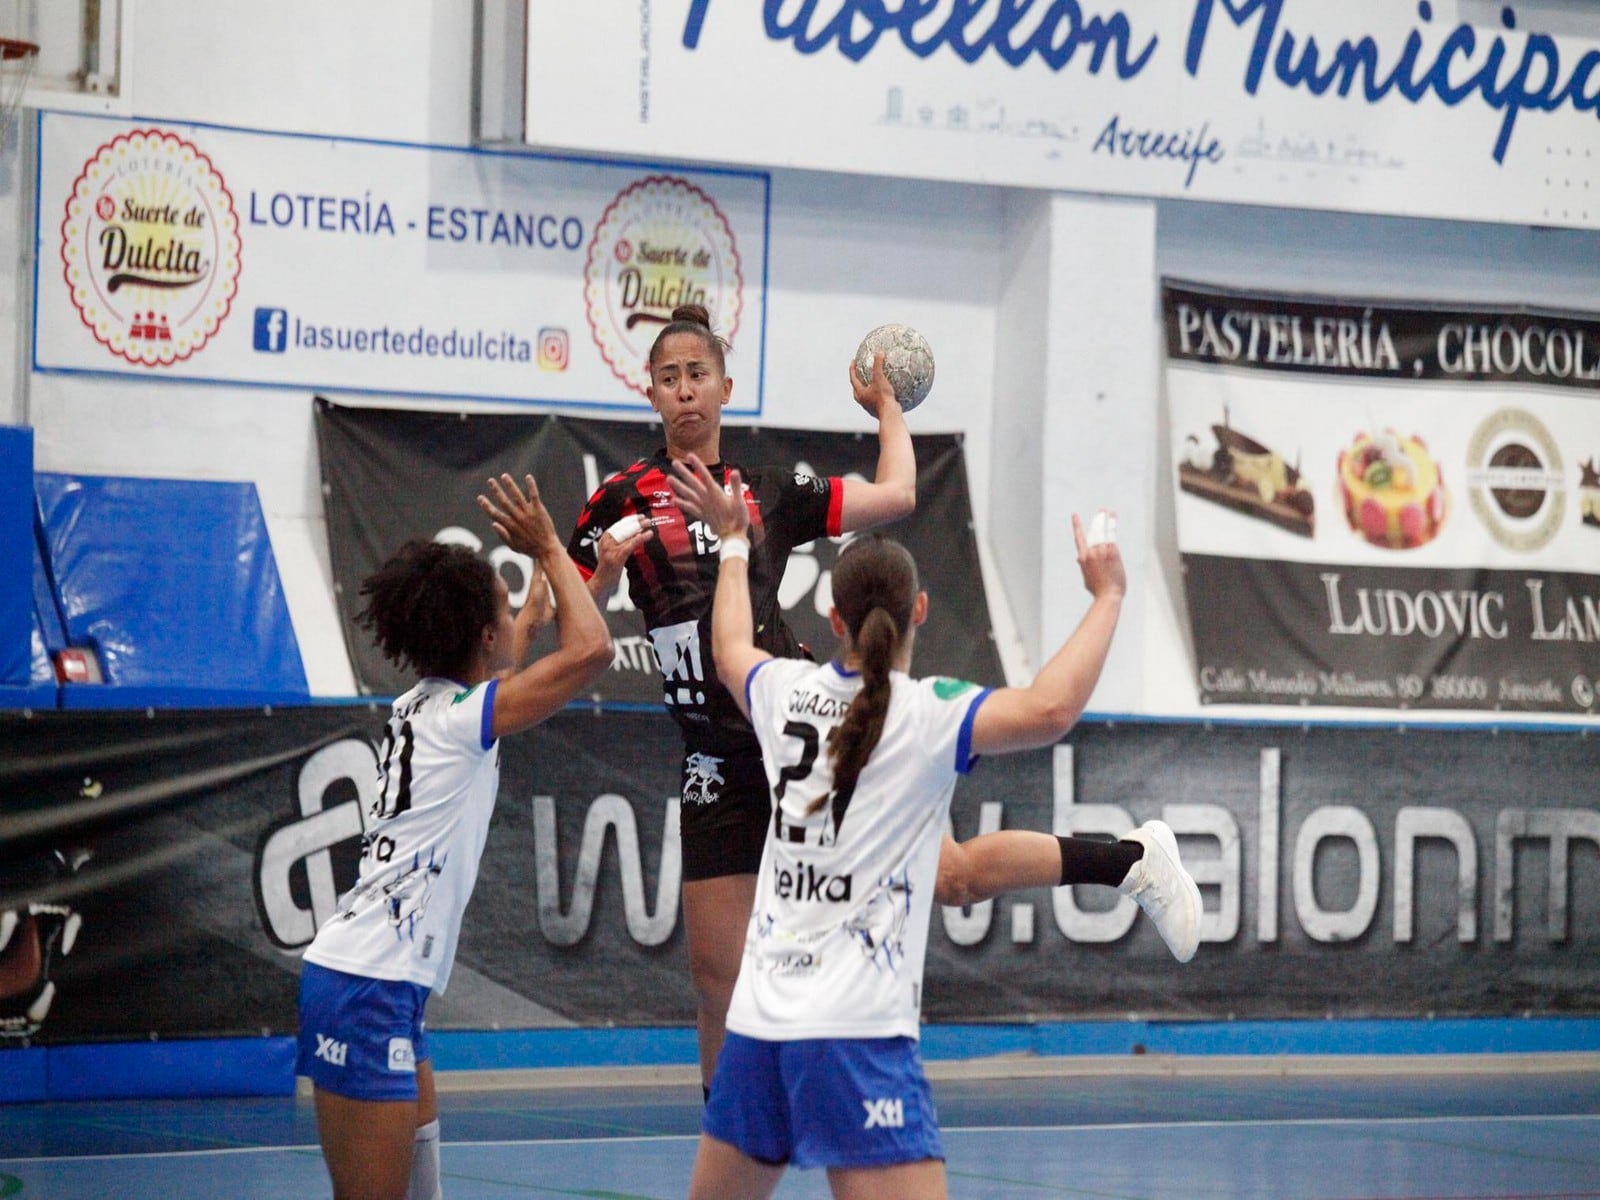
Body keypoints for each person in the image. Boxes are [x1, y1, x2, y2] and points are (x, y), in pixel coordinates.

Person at [567, 304, 1198, 1092]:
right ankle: (727, 1133)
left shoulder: (767, 492)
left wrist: (888, 408)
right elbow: (563, 615)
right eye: (670, 378)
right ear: (650, 394)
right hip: (712, 762)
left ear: (726, 388)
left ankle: (1131, 861)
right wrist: (593, 585)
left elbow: (897, 493)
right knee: (716, 979)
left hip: (791, 725)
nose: (686, 391)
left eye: (699, 375)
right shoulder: (617, 500)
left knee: (951, 876)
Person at [672, 453, 1199, 1198]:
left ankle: (1129, 861)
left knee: (954, 873)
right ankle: (1130, 860)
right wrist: (1108, 594)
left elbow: (729, 648)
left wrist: (731, 544)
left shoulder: (782, 690)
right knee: (955, 874)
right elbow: (1051, 708)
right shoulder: (929, 713)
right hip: (856, 1035)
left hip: (760, 1029)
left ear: (832, 619)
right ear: (919, 610)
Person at [296, 473, 611, 1200]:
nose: (513, 622)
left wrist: (568, 578)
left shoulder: (425, 706)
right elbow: (589, 651)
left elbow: (528, 628)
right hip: (364, 985)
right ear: (480, 636)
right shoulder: (460, 721)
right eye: (500, 612)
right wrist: (549, 548)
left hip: (381, 986)